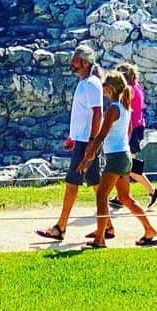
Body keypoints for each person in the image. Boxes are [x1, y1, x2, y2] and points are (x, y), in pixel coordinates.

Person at [80, 71, 157, 248]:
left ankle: (100, 238)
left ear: (109, 89)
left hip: (116, 158)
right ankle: (149, 229)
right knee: (125, 198)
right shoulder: (125, 108)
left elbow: (101, 135)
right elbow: (128, 131)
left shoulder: (113, 109)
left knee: (102, 196)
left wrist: (87, 157)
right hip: (124, 156)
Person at [35, 43, 103, 242]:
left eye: (74, 59)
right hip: (82, 140)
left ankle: (61, 226)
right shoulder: (86, 83)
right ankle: (107, 225)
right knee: (97, 185)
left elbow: (97, 114)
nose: (71, 63)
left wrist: (91, 142)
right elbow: (85, 114)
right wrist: (73, 136)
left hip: (86, 142)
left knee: (72, 183)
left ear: (83, 62)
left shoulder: (90, 84)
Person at [111, 63, 157, 209]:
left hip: (131, 130)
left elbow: (125, 112)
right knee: (128, 164)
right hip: (137, 128)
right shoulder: (136, 87)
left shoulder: (128, 90)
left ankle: (150, 191)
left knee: (129, 165)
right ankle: (122, 196)